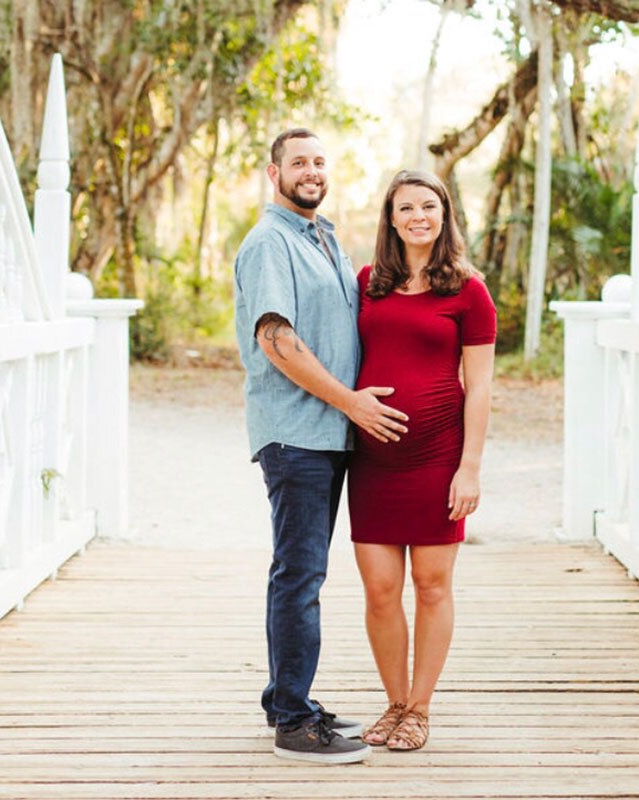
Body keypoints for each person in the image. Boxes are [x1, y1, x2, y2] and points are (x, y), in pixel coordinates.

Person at [233, 128, 408, 764]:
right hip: (297, 435)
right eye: (297, 162)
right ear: (273, 173)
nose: (310, 171)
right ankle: (292, 723)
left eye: (318, 161)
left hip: (330, 436)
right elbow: (275, 338)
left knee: (303, 571)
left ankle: (289, 696)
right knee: (299, 573)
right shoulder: (270, 242)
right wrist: (352, 402)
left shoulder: (324, 238)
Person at [347, 169, 496, 751]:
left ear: (444, 215)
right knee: (380, 589)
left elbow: (479, 386)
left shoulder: (469, 291)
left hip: (438, 459)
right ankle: (393, 702)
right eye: (406, 207)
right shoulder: (366, 283)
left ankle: (420, 709)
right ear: (390, 218)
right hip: (372, 463)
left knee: (432, 586)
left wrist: (471, 467)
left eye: (428, 206)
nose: (418, 217)